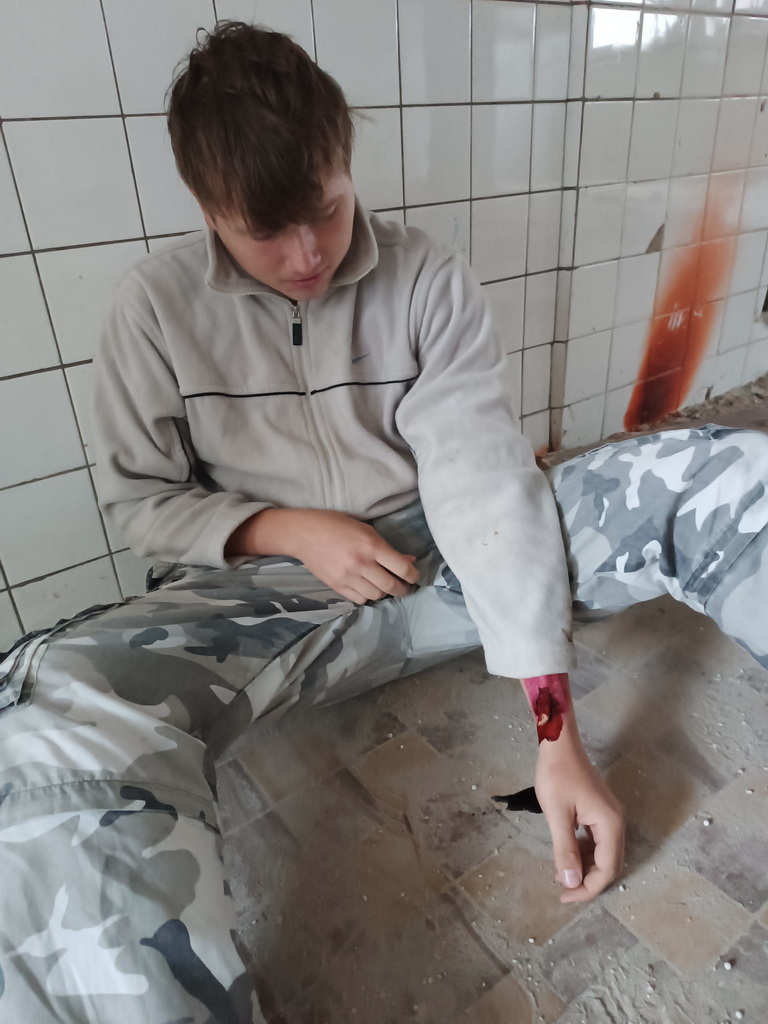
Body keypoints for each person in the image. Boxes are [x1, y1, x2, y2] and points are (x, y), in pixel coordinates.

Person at [0, 22, 766, 1024]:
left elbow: (482, 479)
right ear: (206, 206)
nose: (307, 254)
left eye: (325, 208)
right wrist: (289, 529)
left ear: (345, 160)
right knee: (48, 709)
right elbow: (143, 503)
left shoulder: (426, 277)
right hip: (274, 597)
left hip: (446, 559)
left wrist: (555, 725)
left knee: (725, 467)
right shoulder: (152, 312)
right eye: (265, 230)